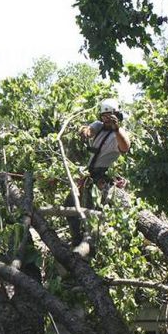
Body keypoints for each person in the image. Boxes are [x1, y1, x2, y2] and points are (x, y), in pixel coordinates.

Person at [66, 98, 131, 250]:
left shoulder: (120, 134)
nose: (107, 120)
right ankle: (76, 240)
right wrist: (84, 131)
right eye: (104, 116)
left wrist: (116, 129)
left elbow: (125, 147)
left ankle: (91, 248)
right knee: (69, 204)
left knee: (92, 213)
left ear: (117, 115)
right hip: (89, 174)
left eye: (110, 116)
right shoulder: (98, 126)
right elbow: (89, 131)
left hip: (103, 178)